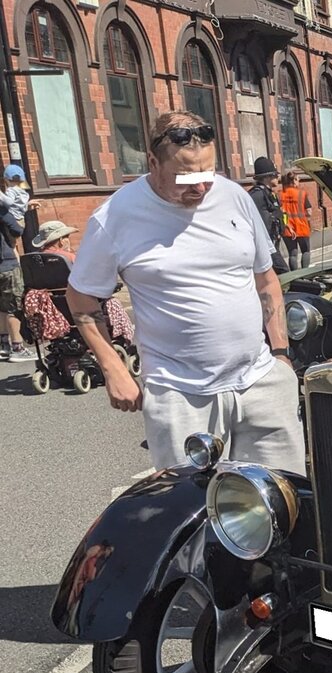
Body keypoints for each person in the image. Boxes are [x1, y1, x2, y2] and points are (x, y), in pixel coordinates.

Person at [65, 110, 305, 474]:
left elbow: (265, 279)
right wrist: (114, 368)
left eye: (206, 174)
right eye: (185, 177)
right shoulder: (115, 217)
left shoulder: (234, 197)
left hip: (259, 381)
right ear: (152, 162)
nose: (200, 188)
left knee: (283, 503)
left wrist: (282, 356)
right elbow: (81, 301)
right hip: (180, 394)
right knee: (190, 513)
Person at [0, 204, 32, 361]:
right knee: (14, 306)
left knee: (1, 307)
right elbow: (17, 230)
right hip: (6, 264)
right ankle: (17, 347)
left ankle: (3, 345)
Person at [248, 156, 288, 273]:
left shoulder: (268, 193)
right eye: (275, 175)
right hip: (266, 246)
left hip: (272, 243)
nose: (277, 177)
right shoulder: (257, 195)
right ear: (267, 177)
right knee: (284, 272)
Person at [279, 170, 312, 271]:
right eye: (298, 180)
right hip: (302, 227)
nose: (299, 182)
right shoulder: (302, 194)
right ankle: (304, 273)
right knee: (305, 251)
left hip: (287, 228)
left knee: (292, 254)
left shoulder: (280, 195)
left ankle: (294, 276)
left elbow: (279, 211)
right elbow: (309, 212)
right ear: (293, 181)